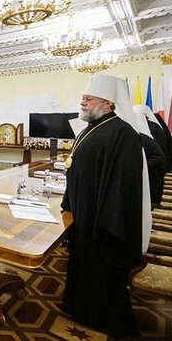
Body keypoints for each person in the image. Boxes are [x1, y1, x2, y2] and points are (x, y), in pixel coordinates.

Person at [61, 74, 151, 339]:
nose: (83, 103)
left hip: (104, 220)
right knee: (83, 267)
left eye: (88, 99)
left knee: (100, 272)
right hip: (84, 213)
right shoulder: (92, 128)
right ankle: (79, 308)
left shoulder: (123, 134)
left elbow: (122, 186)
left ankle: (101, 317)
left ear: (107, 102)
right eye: (83, 99)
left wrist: (106, 221)